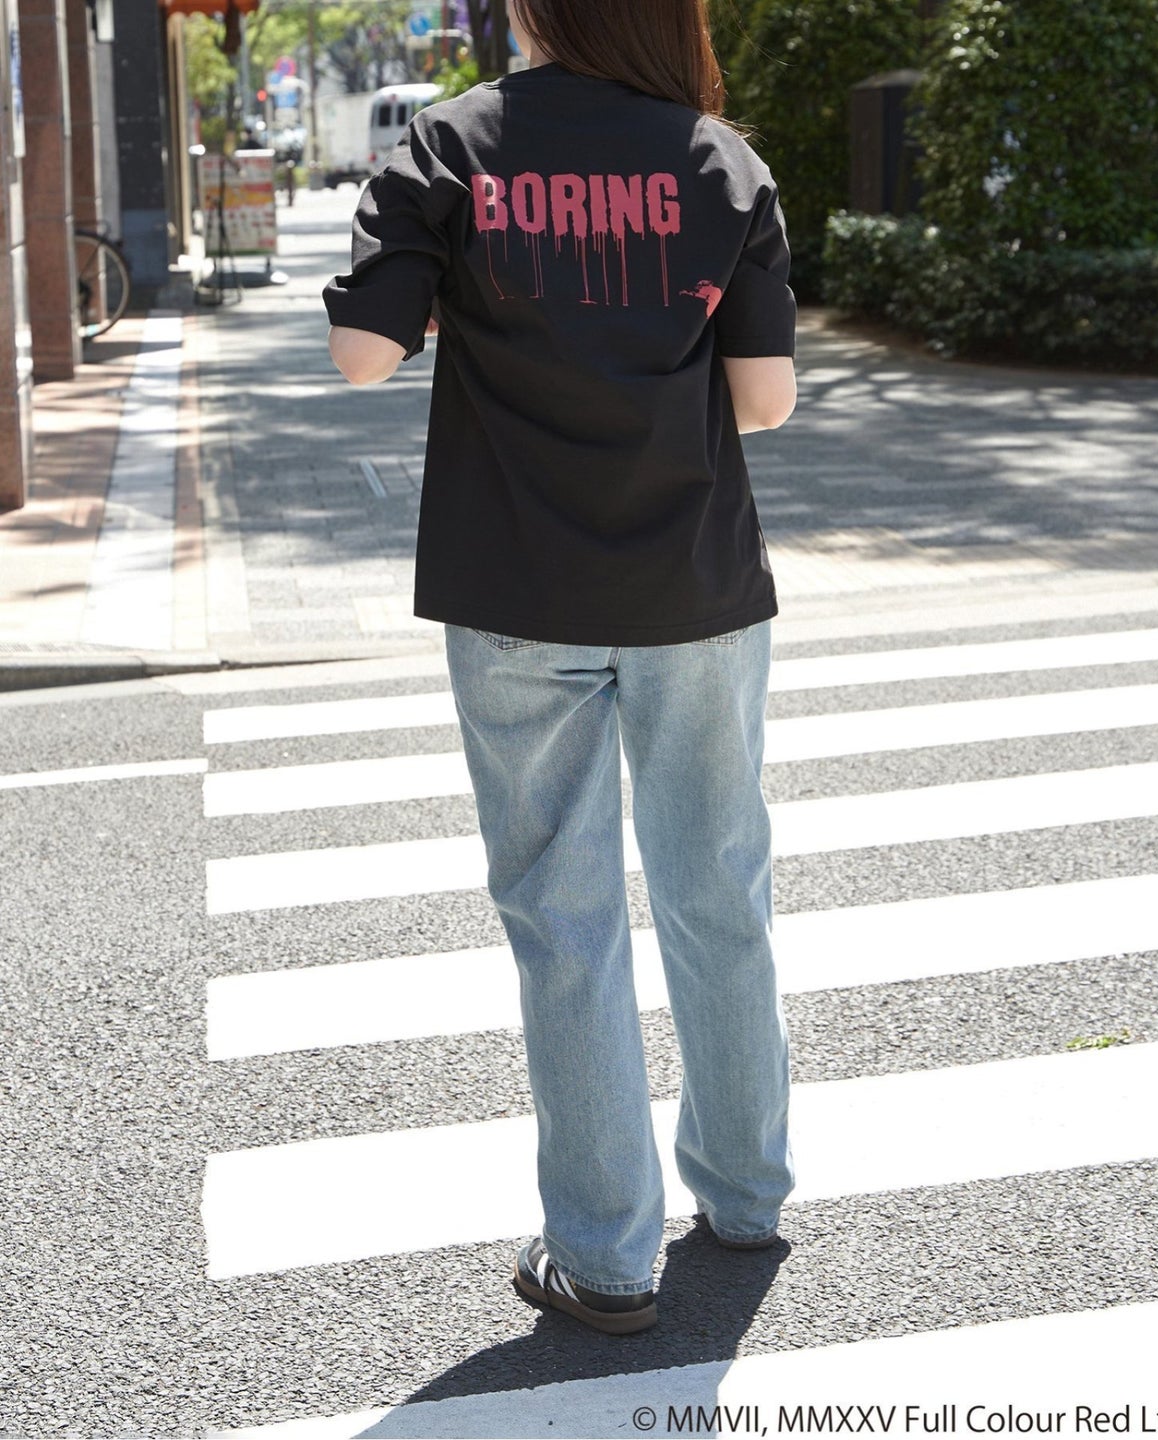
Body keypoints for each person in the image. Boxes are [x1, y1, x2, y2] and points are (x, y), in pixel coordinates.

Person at [323, 0, 797, 1336]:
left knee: (564, 916)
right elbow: (765, 400)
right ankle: (746, 1193)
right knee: (719, 885)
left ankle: (604, 1257)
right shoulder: (719, 159)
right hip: (695, 580)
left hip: (518, 582)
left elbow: (362, 356)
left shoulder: (448, 147)